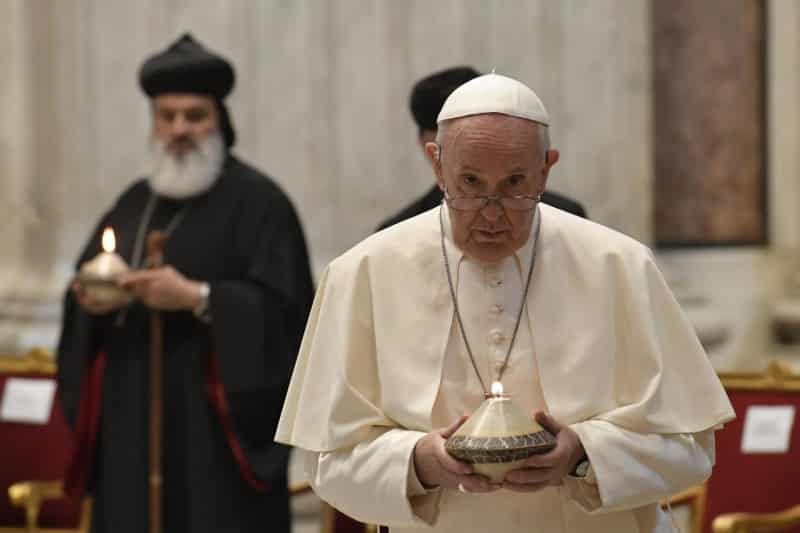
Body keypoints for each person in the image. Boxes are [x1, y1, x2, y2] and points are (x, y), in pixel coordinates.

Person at [277, 73, 734, 532]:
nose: (492, 212)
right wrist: (417, 462)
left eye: (515, 184)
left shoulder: (621, 265)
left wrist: (583, 455)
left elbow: (690, 448)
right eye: (470, 183)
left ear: (546, 169)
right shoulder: (363, 272)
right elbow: (327, 462)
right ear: (437, 165)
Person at [57, 33, 314, 533]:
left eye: (195, 116)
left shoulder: (260, 204)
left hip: (214, 437)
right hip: (132, 425)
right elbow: (84, 289)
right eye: (167, 116)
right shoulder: (134, 202)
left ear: (220, 121)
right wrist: (90, 302)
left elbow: (290, 318)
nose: (179, 129)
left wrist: (198, 298)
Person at [377, 66, 585, 232]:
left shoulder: (567, 221)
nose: (491, 214)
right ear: (430, 150)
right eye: (471, 180)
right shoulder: (396, 235)